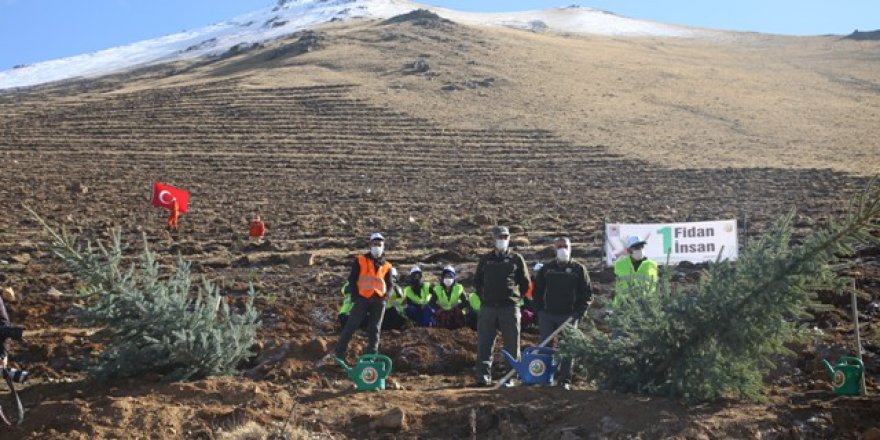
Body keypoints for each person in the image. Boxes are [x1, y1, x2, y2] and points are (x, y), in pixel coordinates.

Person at [532, 237, 593, 389]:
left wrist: (579, 312)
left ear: (570, 248)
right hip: (547, 315)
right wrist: (539, 310)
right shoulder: (547, 269)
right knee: (545, 346)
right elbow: (537, 290)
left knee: (568, 348)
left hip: (569, 316)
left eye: (565, 246)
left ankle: (565, 379)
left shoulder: (578, 269)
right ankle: (545, 377)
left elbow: (587, 293)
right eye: (559, 246)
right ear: (554, 249)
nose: (562, 249)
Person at [473, 225, 530, 387]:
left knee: (512, 343)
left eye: (505, 237)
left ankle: (511, 377)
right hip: (489, 308)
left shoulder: (516, 259)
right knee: (485, 343)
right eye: (499, 237)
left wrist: (515, 297)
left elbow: (525, 283)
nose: (502, 240)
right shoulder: (485, 259)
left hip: (509, 307)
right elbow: (477, 282)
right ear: (493, 239)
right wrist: (484, 297)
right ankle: (483, 376)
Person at [334, 233, 394, 361]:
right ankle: (339, 355)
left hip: (378, 300)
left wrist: (385, 298)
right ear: (370, 245)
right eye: (374, 244)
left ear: (383, 247)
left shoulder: (387, 265)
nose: (377, 247)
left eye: (379, 244)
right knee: (351, 326)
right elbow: (352, 279)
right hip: (362, 299)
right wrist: (356, 297)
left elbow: (390, 284)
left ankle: (370, 358)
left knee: (374, 330)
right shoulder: (360, 260)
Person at [613, 236, 659, 306]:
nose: (640, 249)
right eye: (636, 247)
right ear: (628, 250)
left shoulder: (652, 265)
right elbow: (618, 288)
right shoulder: (619, 265)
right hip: (625, 305)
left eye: (642, 247)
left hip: (646, 305)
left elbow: (654, 287)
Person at [431, 265, 469, 330]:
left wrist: (458, 306)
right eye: (446, 276)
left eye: (450, 276)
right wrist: (439, 308)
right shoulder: (437, 289)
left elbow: (466, 302)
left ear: (454, 278)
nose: (448, 279)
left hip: (454, 313)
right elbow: (431, 303)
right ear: (442, 278)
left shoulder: (459, 288)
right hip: (442, 313)